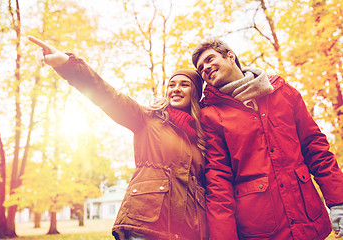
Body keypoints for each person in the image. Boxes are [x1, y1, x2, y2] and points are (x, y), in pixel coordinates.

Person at [28, 36, 209, 240]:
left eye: (184, 85)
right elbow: (107, 94)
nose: (176, 89)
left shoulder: (202, 137)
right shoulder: (148, 118)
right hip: (144, 225)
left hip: (187, 231)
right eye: (172, 84)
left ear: (195, 92)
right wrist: (67, 65)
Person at [191, 38, 343, 240]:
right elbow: (218, 181)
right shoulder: (210, 116)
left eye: (210, 59)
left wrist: (338, 201)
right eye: (201, 68)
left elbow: (315, 148)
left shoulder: (282, 92)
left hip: (308, 220)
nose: (206, 68)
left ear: (230, 56)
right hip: (260, 230)